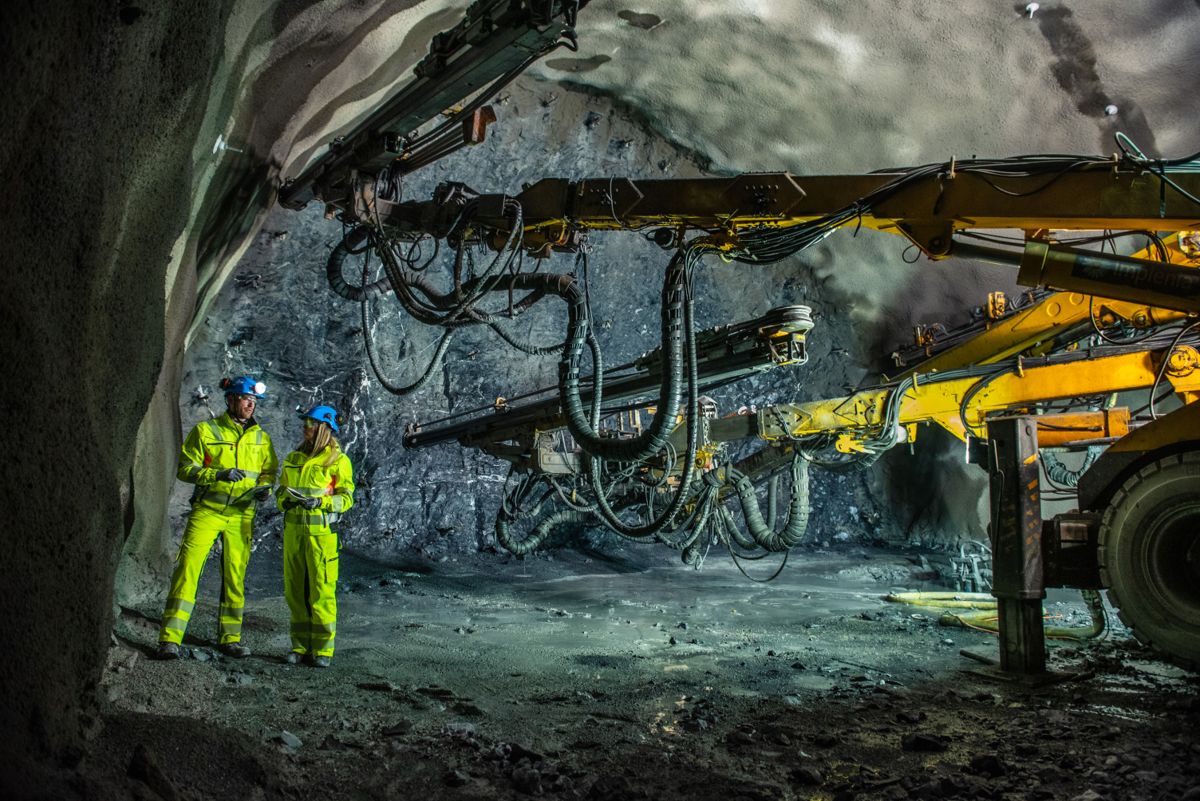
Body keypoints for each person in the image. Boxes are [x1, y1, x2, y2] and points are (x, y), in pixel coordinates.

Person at [155, 376, 279, 659]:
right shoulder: (206, 431)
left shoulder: (261, 438)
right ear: (231, 399)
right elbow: (185, 469)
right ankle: (170, 639)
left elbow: (269, 472)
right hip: (208, 511)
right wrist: (217, 475)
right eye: (246, 399)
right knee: (187, 569)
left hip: (241, 514)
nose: (251, 404)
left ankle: (230, 639)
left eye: (254, 401)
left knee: (235, 577)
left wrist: (265, 491)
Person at [277, 404, 355, 667]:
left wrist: (321, 503)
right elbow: (281, 493)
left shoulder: (338, 460)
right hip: (293, 534)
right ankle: (299, 646)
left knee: (321, 592)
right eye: (306, 423)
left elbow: (346, 499)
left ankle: (322, 650)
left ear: (324, 428)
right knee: (295, 592)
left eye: (310, 423)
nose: (305, 427)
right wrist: (284, 501)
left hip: (321, 535)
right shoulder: (293, 458)